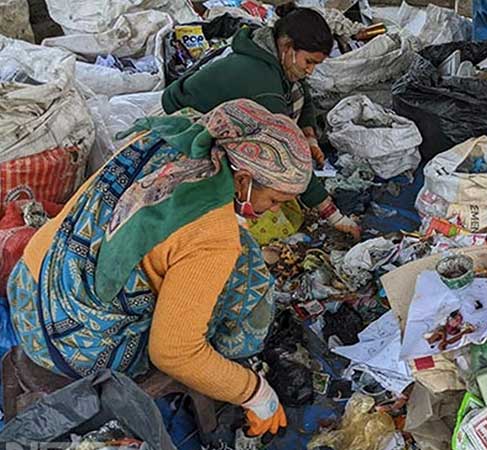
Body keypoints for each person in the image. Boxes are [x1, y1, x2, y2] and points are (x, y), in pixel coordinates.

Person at [7, 100, 311, 437]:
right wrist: (256, 393)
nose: (271, 211)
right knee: (247, 272)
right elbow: (173, 354)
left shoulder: (164, 141)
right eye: (275, 200)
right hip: (75, 346)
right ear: (243, 180)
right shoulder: (212, 234)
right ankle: (234, 358)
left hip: (29, 288)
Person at [162, 5, 360, 239]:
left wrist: (309, 138)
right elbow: (285, 158)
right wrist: (332, 215)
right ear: (287, 47)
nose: (310, 70)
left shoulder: (275, 56)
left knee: (275, 196)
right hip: (185, 126)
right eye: (309, 62)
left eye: (316, 64)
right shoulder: (263, 86)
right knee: (265, 217)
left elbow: (303, 94)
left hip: (225, 118)